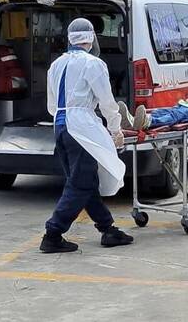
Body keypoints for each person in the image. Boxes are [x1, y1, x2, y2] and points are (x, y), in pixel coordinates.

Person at [40, 18, 133, 253]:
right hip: (80, 127)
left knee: (85, 181)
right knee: (80, 183)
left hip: (60, 125)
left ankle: (107, 228)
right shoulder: (94, 64)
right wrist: (116, 130)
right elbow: (107, 102)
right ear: (91, 38)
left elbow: (52, 104)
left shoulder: (57, 64)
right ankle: (53, 233)